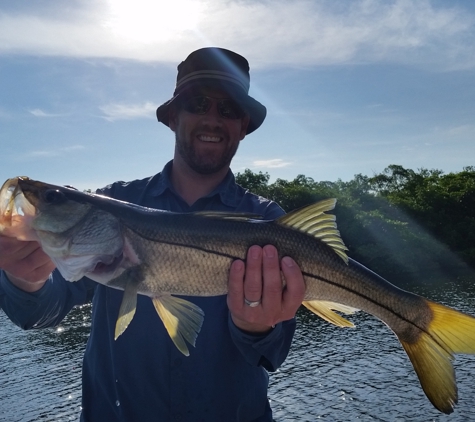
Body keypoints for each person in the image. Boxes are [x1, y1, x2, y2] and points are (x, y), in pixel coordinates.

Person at [0, 47, 306, 422]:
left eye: (228, 110)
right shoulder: (113, 202)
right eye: (199, 103)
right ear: (174, 116)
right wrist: (24, 277)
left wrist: (256, 326)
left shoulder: (268, 223)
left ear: (242, 126)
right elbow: (38, 312)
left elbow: (270, 355)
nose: (213, 118)